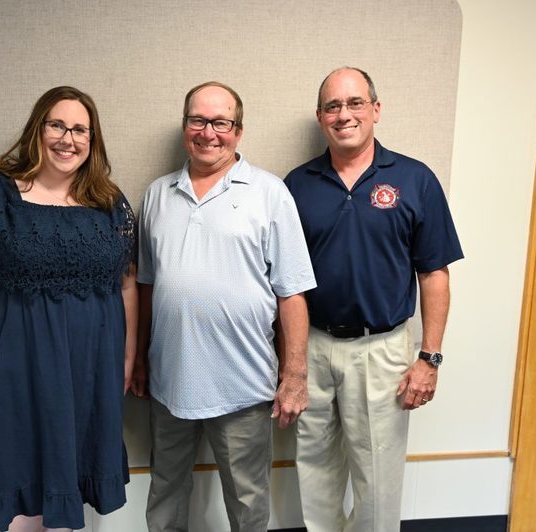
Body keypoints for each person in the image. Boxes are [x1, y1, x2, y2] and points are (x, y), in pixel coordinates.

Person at [0, 86, 137, 532]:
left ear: (93, 139)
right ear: (37, 129)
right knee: (23, 485)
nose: (68, 139)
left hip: (90, 370)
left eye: (80, 129)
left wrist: (126, 359)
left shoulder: (109, 202)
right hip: (16, 368)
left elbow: (126, 285)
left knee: (72, 483)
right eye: (57, 125)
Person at [283, 67, 464, 532]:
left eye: (355, 103)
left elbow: (434, 274)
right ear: (320, 117)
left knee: (378, 478)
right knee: (316, 470)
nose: (344, 114)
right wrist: (292, 363)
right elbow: (285, 282)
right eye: (333, 106)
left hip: (382, 350)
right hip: (313, 347)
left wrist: (430, 357)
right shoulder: (296, 185)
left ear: (376, 109)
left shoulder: (415, 179)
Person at [133, 81, 316, 532]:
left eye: (221, 122)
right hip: (169, 379)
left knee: (247, 499)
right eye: (198, 120)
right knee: (165, 490)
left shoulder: (269, 192)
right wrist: (138, 358)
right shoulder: (157, 195)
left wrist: (294, 375)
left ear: (238, 130)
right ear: (184, 126)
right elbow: (146, 287)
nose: (208, 132)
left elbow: (292, 292)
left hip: (243, 383)